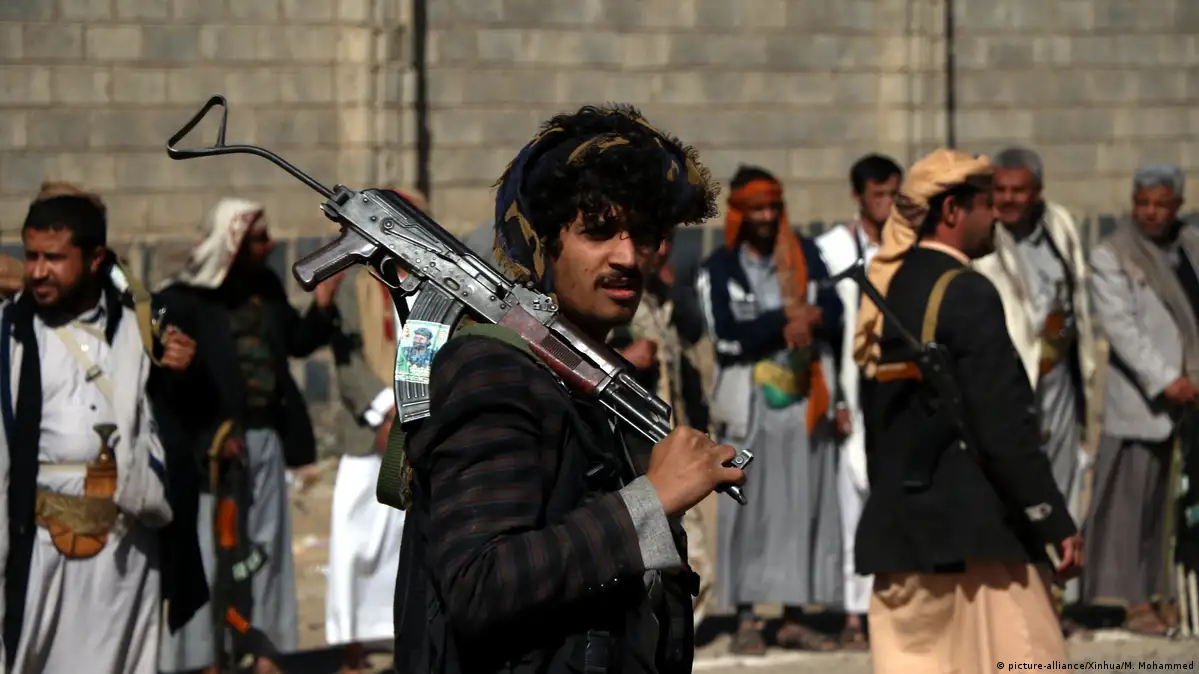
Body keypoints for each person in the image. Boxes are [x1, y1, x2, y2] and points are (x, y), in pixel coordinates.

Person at [393, 104, 732, 674]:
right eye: (597, 232)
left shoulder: (586, 377)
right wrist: (653, 501)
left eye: (644, 235)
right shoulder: (495, 370)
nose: (628, 257)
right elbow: (480, 585)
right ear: (542, 242)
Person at [853, 149, 1082, 673]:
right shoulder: (965, 291)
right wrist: (1051, 517)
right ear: (953, 210)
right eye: (985, 202)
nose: (996, 214)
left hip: (902, 535)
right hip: (977, 542)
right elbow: (1003, 427)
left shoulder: (893, 285)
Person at [155, 197, 343, 674]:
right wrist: (212, 435)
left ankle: (266, 652)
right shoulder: (183, 301)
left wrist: (323, 304)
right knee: (207, 553)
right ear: (233, 243)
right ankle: (202, 658)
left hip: (264, 440)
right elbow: (169, 386)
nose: (270, 244)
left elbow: (297, 342)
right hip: (210, 452)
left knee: (266, 552)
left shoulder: (266, 288)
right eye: (259, 238)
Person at [1, 190, 180, 673]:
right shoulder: (12, 332)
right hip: (41, 548)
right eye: (31, 256)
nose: (38, 271)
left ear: (95, 258)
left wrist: (183, 370)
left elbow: (176, 421)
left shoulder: (139, 328)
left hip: (123, 549)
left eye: (54, 258)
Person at [698, 165, 845, 654]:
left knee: (801, 507)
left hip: (803, 405)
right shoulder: (720, 268)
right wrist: (784, 320)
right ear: (739, 212)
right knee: (747, 509)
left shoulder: (807, 255)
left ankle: (793, 617)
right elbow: (725, 335)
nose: (765, 217)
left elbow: (836, 312)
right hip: (749, 408)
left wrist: (812, 320)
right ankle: (746, 618)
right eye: (755, 208)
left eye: (772, 208)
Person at [970, 147, 1097, 630]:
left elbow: (1077, 295)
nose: (1007, 199)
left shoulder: (1059, 226)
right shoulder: (984, 234)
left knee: (1062, 482)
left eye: (1018, 190)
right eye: (999, 190)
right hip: (1007, 379)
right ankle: (1015, 601)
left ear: (1037, 192)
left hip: (1057, 375)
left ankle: (1057, 598)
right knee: (1013, 482)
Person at [1085, 163, 1199, 635]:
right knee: (1133, 505)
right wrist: (1168, 379)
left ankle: (1165, 594)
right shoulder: (1114, 253)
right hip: (1146, 400)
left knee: (1171, 508)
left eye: (1160, 204)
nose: (1150, 212)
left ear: (1177, 205)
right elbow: (1122, 329)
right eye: (1143, 203)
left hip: (1190, 398)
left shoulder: (1189, 245)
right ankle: (1132, 602)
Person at [325, 188, 427, 674]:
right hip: (368, 430)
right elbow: (348, 362)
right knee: (353, 539)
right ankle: (351, 645)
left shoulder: (427, 281)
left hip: (414, 423)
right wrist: (386, 411)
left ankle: (397, 634)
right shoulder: (355, 282)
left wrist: (408, 411)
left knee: (405, 538)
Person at [814, 153, 903, 648]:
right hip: (852, 392)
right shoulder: (832, 249)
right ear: (858, 196)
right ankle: (853, 613)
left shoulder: (907, 246)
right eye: (878, 195)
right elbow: (827, 335)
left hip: (898, 388)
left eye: (894, 194)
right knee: (852, 503)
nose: (887, 204)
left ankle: (893, 609)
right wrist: (836, 400)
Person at [608, 233, 715, 625]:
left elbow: (694, 331)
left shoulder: (659, 301)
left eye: (667, 240)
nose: (663, 249)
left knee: (691, 555)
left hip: (671, 439)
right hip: (635, 449)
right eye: (653, 241)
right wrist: (626, 359)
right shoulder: (611, 303)